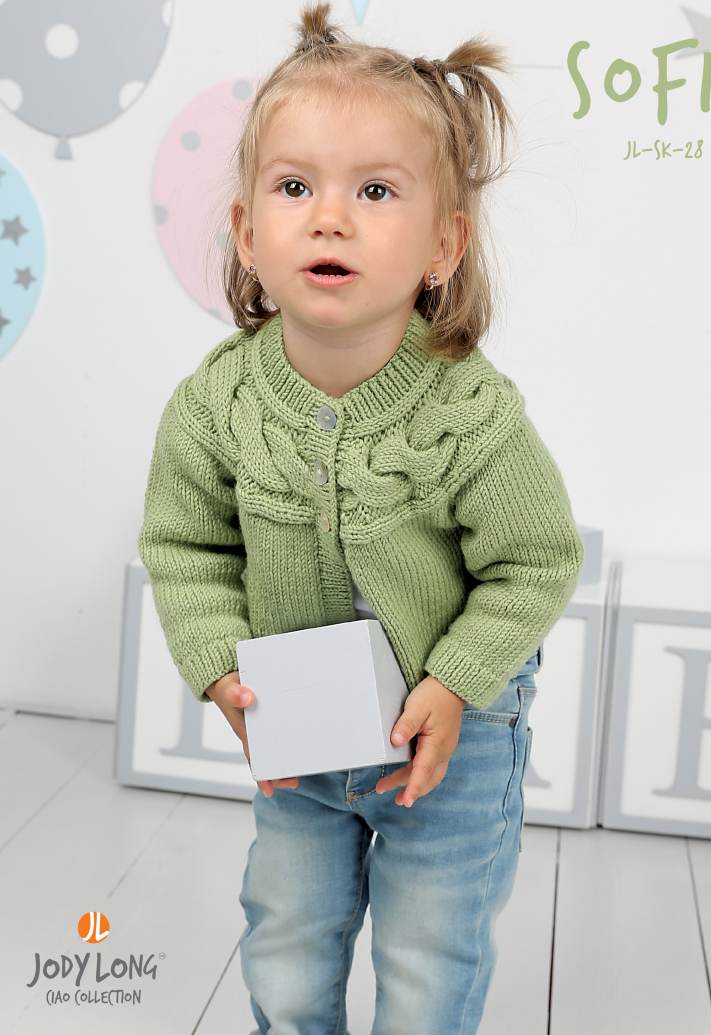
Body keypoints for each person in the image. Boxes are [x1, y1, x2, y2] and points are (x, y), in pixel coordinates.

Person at [137, 3, 584, 1032]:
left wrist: (456, 680)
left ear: (442, 244)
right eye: (295, 188)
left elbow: (533, 561)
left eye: (374, 191)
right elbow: (186, 545)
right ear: (248, 233)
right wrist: (219, 666)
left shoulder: (470, 412)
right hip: (299, 736)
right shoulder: (215, 406)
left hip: (449, 733)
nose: (329, 218)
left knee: (426, 964)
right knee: (285, 957)